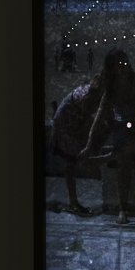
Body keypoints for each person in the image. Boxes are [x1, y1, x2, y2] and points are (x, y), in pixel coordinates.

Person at [80, 49, 135, 225]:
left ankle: (107, 157)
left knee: (134, 146)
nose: (124, 67)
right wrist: (89, 145)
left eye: (125, 62)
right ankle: (123, 209)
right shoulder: (111, 90)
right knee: (124, 162)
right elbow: (99, 118)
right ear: (113, 68)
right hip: (123, 130)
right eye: (120, 64)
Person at [49, 72, 105, 215]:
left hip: (68, 125)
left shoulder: (90, 93)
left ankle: (73, 201)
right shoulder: (87, 97)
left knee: (71, 164)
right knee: (71, 163)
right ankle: (73, 202)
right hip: (66, 127)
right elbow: (85, 121)